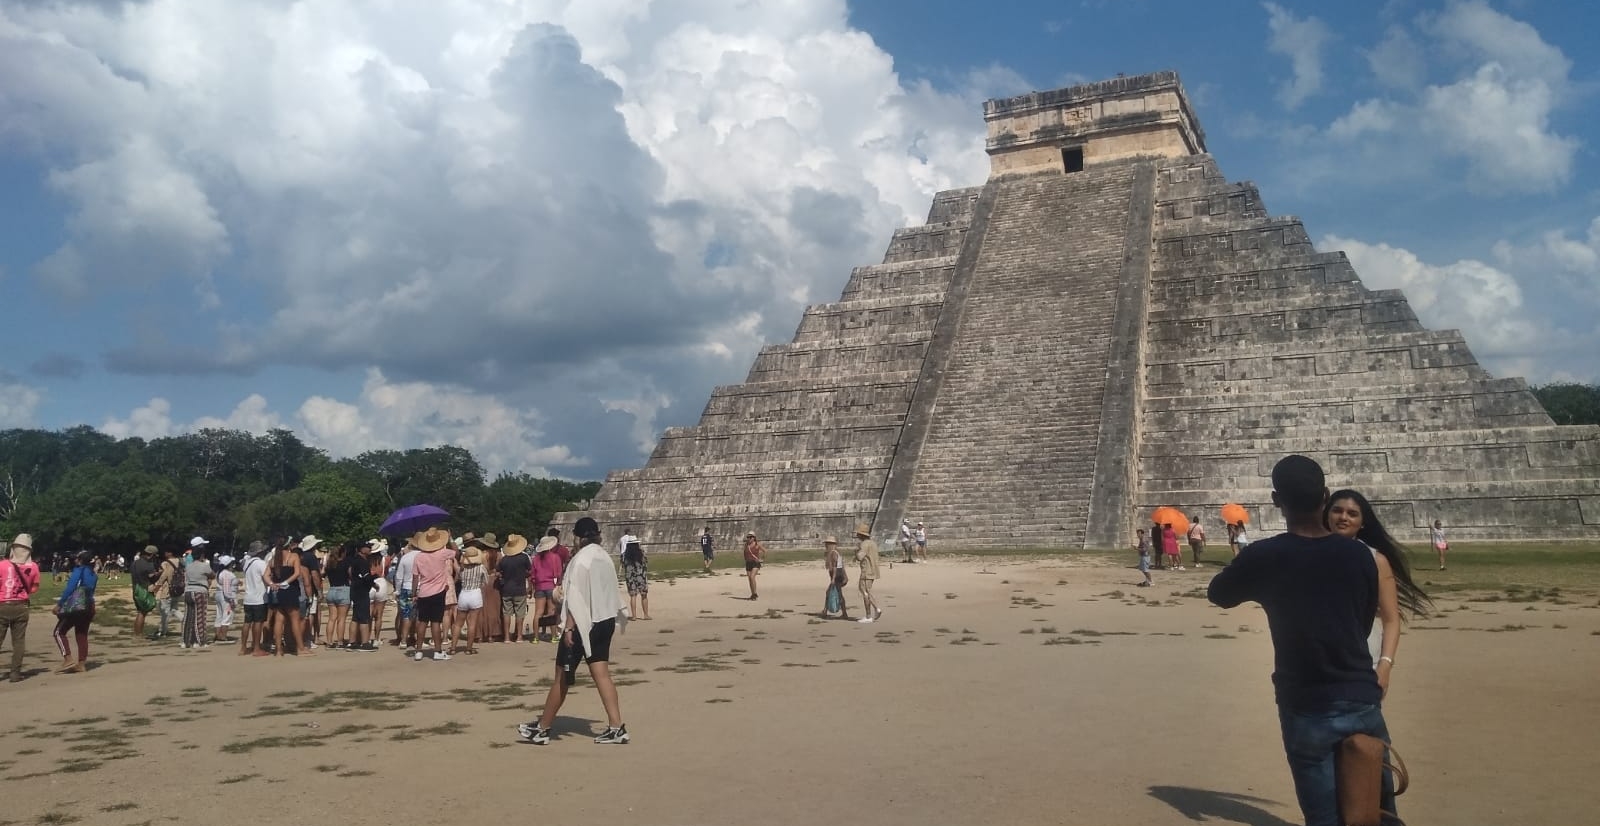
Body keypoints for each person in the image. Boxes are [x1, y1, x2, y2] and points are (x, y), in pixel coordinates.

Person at [1208, 455, 1398, 825]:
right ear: (1325, 496)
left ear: (1277, 500)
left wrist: (1255, 576)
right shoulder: (1361, 555)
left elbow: (1219, 594)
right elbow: (1360, 623)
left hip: (1306, 702)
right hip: (1361, 697)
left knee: (1324, 816)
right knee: (1376, 812)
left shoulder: (1263, 556)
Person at [517, 516, 628, 745]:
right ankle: (616, 726)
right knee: (602, 673)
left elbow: (575, 598)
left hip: (582, 624)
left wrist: (568, 628)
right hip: (604, 619)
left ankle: (543, 727)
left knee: (562, 676)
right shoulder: (605, 556)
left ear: (578, 537)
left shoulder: (580, 560)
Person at [1325, 489, 1433, 677]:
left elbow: (1391, 619)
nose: (1343, 517)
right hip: (1317, 662)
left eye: (1352, 513)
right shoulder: (1308, 555)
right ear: (1326, 514)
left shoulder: (1376, 560)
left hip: (1363, 659)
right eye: (1337, 511)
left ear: (1362, 522)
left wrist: (1385, 665)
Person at [408, 526, 455, 661]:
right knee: (435, 622)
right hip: (438, 592)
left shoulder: (418, 557)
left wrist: (413, 593)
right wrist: (450, 539)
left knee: (422, 621)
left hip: (423, 592)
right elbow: (456, 552)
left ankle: (418, 651)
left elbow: (415, 577)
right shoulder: (442, 553)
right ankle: (438, 651)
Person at [1, 534, 42, 682]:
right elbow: (34, 588)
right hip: (21, 606)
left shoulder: (2, 565)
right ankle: (15, 673)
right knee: (18, 642)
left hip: (2, 605)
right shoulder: (33, 567)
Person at [52, 549, 99, 673]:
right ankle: (81, 664)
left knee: (59, 632)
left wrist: (60, 604)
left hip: (77, 607)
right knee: (82, 634)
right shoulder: (94, 575)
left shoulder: (79, 571)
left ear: (81, 560)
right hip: (89, 606)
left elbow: (70, 588)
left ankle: (67, 659)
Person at [264, 539, 308, 657]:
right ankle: (300, 648)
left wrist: (272, 584)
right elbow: (297, 573)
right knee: (295, 620)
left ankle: (278, 650)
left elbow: (265, 575)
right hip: (290, 590)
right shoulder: (293, 556)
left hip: (277, 591)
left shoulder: (273, 560)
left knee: (279, 620)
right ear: (288, 545)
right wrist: (285, 582)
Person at [495, 533, 532, 643]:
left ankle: (507, 637)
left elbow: (498, 571)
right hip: (520, 588)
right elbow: (529, 571)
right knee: (520, 613)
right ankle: (519, 636)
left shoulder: (504, 560)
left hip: (506, 589)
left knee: (507, 613)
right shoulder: (524, 558)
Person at [240, 542, 270, 656]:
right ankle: (256, 647)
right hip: (259, 597)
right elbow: (266, 577)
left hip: (248, 597)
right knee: (258, 622)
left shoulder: (246, 563)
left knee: (247, 622)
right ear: (260, 552)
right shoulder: (261, 564)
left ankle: (243, 647)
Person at [530, 536, 563, 642]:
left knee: (538, 612)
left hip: (539, 587)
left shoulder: (535, 559)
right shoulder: (555, 557)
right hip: (551, 586)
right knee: (551, 612)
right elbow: (559, 574)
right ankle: (553, 636)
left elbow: (533, 576)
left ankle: (535, 637)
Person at [181, 545, 215, 648]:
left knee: (188, 617)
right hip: (200, 590)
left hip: (188, 591)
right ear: (202, 555)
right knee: (200, 617)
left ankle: (186, 641)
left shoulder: (188, 566)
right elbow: (212, 575)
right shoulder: (204, 565)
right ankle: (200, 641)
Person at [323, 542, 355, 649]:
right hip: (344, 589)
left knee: (332, 618)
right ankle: (340, 641)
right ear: (343, 553)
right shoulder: (346, 563)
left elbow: (323, 574)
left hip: (331, 590)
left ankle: (329, 641)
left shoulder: (329, 564)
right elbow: (351, 576)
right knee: (341, 619)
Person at [348, 540, 378, 652]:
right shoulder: (362, 562)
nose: (370, 549)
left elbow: (350, 573)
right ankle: (365, 643)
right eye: (367, 547)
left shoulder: (355, 560)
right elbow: (366, 577)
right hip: (361, 592)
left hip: (355, 590)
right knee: (364, 617)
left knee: (355, 617)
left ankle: (352, 642)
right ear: (361, 549)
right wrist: (374, 582)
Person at [456, 543, 486, 655]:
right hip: (475, 593)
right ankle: (469, 648)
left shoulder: (461, 569)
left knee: (458, 624)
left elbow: (458, 578)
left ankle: (453, 647)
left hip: (463, 594)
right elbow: (485, 582)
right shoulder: (481, 568)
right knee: (472, 624)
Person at [297, 535, 324, 649]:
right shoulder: (311, 557)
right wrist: (319, 590)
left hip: (298, 588)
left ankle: (303, 637)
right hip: (310, 589)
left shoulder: (300, 556)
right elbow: (314, 575)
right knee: (311, 613)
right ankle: (308, 638)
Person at [392, 540, 420, 648]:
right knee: (418, 616)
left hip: (406, 587)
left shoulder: (405, 557)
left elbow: (399, 577)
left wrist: (398, 590)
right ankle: (416, 639)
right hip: (421, 588)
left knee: (406, 615)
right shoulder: (424, 556)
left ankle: (403, 640)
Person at [153, 546, 183, 639]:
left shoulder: (166, 563)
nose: (165, 554)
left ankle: (163, 631)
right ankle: (185, 620)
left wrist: (156, 588)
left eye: (166, 552)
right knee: (174, 609)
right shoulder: (180, 562)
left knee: (164, 612)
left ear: (170, 553)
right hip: (177, 589)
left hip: (167, 590)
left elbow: (164, 576)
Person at [853, 524, 882, 623]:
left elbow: (860, 557)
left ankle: (871, 613)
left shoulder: (864, 544)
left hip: (867, 570)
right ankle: (874, 611)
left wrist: (856, 552)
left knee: (865, 591)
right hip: (873, 570)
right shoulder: (873, 543)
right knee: (866, 590)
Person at [130, 545, 159, 639]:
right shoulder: (149, 565)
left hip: (135, 588)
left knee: (140, 611)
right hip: (145, 589)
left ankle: (137, 633)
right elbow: (152, 577)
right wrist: (159, 574)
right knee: (142, 612)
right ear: (152, 555)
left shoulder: (135, 562)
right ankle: (138, 634)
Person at [622, 537, 650, 620]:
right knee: (644, 595)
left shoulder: (625, 555)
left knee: (633, 596)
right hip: (640, 575)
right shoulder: (641, 553)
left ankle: (634, 616)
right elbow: (645, 562)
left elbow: (623, 564)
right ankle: (645, 615)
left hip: (630, 577)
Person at [822, 536, 849, 619]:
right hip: (839, 576)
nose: (825, 545)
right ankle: (826, 611)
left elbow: (835, 567)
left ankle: (826, 612)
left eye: (827, 544)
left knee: (832, 593)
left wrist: (833, 579)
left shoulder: (833, 553)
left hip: (837, 577)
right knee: (835, 594)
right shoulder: (837, 552)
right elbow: (841, 566)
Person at [213, 555, 238, 643]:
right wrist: (231, 600)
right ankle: (223, 637)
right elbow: (227, 590)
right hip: (226, 597)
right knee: (227, 615)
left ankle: (218, 634)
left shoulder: (220, 573)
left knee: (219, 615)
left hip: (219, 595)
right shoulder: (227, 574)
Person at [742, 531, 765, 600]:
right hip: (748, 563)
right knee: (750, 579)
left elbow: (765, 551)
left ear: (754, 538)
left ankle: (754, 594)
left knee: (752, 577)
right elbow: (745, 553)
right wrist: (746, 559)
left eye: (750, 537)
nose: (749, 538)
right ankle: (753, 594)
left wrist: (762, 559)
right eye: (748, 537)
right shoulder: (746, 545)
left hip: (755, 563)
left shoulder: (757, 544)